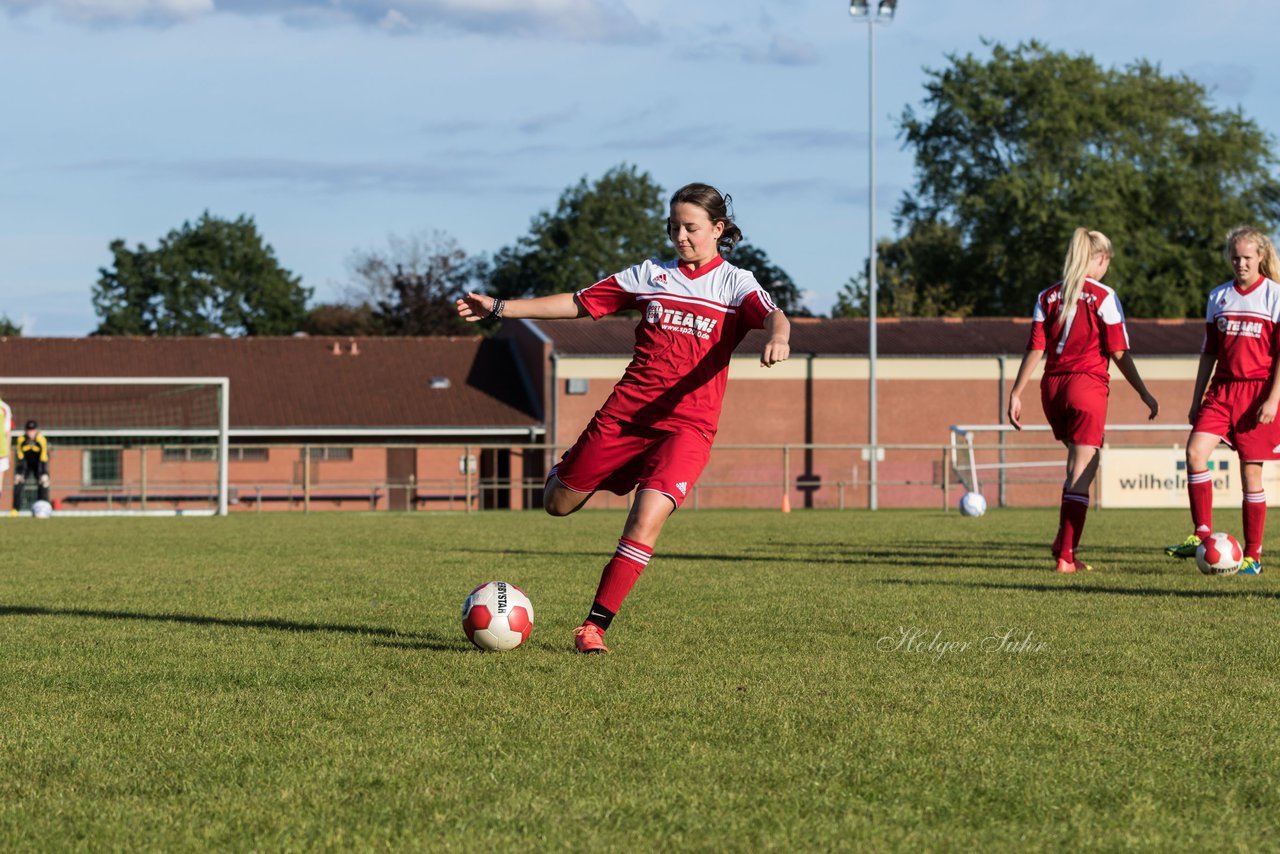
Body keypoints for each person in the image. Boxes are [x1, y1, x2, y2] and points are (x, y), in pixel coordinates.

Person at [456, 183, 791, 652]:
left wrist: (779, 338)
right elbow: (578, 302)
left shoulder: (736, 285)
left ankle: (593, 627)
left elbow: (776, 317)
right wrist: (499, 308)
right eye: (674, 227)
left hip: (687, 430)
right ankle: (568, 470)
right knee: (558, 504)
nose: (681, 237)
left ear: (718, 229)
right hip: (623, 419)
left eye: (691, 228)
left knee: (646, 519)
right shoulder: (650, 275)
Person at [1007, 228, 1159, 573]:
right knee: (1083, 470)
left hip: (1052, 389)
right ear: (1101, 259)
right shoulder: (1104, 295)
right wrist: (1144, 392)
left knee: (1077, 464)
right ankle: (1066, 557)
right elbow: (1118, 352)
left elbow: (1036, 347)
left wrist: (1017, 392)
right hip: (1085, 385)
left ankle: (1064, 542)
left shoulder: (1047, 296)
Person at [1164, 226, 1280, 575]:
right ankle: (1201, 536)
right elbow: (1208, 352)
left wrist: (1273, 400)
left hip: (1258, 393)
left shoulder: (1274, 296)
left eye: (1246, 257)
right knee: (1194, 453)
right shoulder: (1218, 296)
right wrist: (1196, 398)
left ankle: (1254, 557)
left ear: (1260, 256)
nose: (1240, 263)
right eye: (1235, 256)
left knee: (1250, 476)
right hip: (1221, 390)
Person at [12, 419, 50, 512]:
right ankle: (15, 510)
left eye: (33, 430)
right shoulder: (21, 440)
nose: (31, 432)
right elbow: (20, 457)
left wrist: (43, 473)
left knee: (44, 482)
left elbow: (43, 458)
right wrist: (20, 473)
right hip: (26, 465)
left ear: (36, 430)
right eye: (29, 430)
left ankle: (43, 508)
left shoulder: (41, 440)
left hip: (38, 465)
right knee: (17, 481)